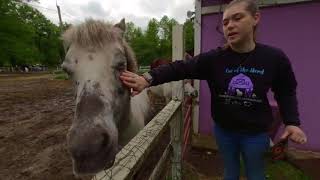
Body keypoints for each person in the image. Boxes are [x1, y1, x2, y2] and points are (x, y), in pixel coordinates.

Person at [120, 0, 307, 179]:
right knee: (230, 171)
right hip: (224, 132)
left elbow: (286, 90)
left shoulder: (274, 58)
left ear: (255, 18)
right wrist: (147, 78)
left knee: (255, 173)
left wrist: (292, 122)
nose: (230, 26)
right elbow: (180, 68)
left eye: (237, 18)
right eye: (225, 22)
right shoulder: (214, 59)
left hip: (256, 134)